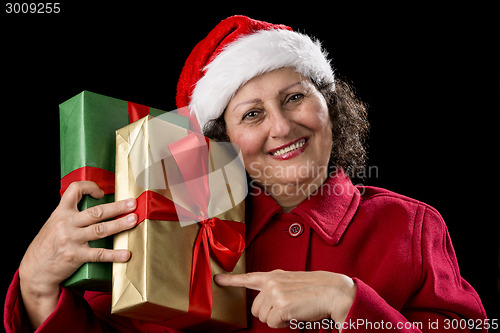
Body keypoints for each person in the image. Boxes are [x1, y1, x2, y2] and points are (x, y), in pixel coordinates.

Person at [4, 15, 488, 333]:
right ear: (219, 141)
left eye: (296, 96)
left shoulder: (412, 227)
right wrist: (37, 288)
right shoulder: (171, 235)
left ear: (331, 107)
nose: (282, 126)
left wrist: (350, 303)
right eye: (251, 114)